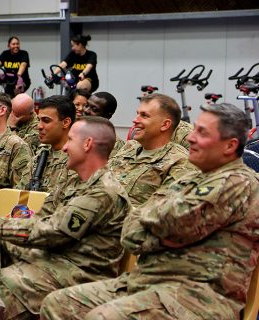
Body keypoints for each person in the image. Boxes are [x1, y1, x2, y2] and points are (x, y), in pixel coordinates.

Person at [41, 103, 259, 320]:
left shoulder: (237, 183)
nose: (191, 138)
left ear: (230, 146)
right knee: (58, 303)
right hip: (148, 283)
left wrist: (154, 227)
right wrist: (158, 230)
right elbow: (130, 230)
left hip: (196, 298)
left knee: (104, 316)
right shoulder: (190, 179)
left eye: (202, 133)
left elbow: (173, 223)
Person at [0, 116, 131, 320]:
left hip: (76, 272)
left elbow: (51, 233)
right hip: (46, 256)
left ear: (87, 144)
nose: (64, 148)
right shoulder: (72, 181)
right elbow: (38, 221)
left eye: (70, 140)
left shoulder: (103, 192)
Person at [108, 93, 197, 208]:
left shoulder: (180, 162)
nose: (135, 120)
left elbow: (162, 212)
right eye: (137, 114)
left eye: (144, 116)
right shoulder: (129, 147)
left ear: (165, 125)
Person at [16, 95, 76, 193]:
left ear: (65, 122)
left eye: (46, 121)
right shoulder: (40, 156)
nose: (39, 126)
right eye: (39, 120)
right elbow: (21, 194)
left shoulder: (77, 160)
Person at [84, 91, 124, 157]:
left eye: (94, 109)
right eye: (86, 105)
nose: (86, 110)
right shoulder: (76, 133)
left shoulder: (114, 145)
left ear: (107, 116)